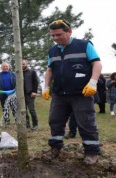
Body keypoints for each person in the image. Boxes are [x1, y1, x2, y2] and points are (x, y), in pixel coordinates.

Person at [41, 19, 102, 165]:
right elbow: (49, 70)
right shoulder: (52, 51)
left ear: (69, 31)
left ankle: (92, 152)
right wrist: (46, 87)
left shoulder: (84, 45)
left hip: (81, 94)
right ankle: (55, 148)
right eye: (52, 36)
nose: (55, 38)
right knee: (55, 121)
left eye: (59, 35)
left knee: (86, 123)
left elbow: (97, 63)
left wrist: (93, 82)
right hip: (59, 94)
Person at [22, 59, 39, 130]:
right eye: (21, 64)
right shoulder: (18, 73)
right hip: (21, 95)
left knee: (31, 110)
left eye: (23, 64)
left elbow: (36, 82)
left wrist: (34, 91)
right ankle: (27, 125)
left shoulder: (32, 72)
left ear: (27, 64)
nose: (22, 65)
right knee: (23, 110)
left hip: (30, 94)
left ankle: (35, 125)